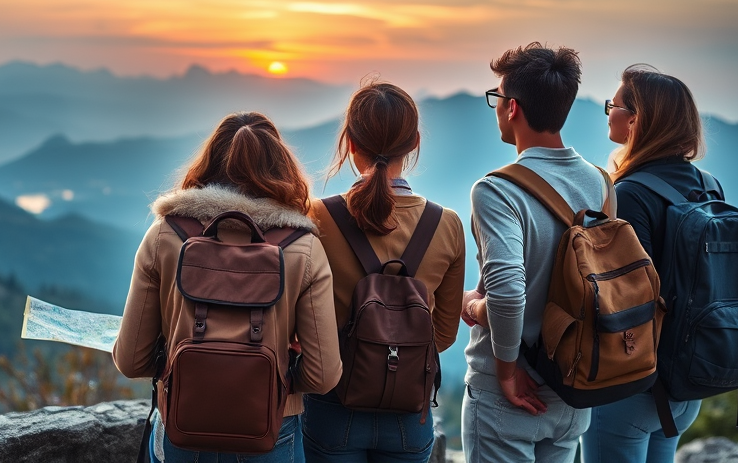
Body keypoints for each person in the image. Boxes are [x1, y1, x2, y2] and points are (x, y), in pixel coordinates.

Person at [113, 111, 342, 463]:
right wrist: (273, 381)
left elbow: (131, 360)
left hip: (181, 429)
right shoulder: (303, 248)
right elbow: (323, 374)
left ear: (208, 163)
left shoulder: (164, 235)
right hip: (270, 432)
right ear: (282, 170)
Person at [460, 42, 610, 463]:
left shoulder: (497, 190)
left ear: (512, 108)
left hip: (508, 396)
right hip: (573, 387)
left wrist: (505, 368)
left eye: (497, 97)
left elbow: (508, 294)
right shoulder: (601, 184)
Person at [302, 81, 466, 463]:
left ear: (350, 142)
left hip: (333, 407)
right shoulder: (448, 225)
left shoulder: (317, 216)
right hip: (409, 415)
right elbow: (441, 337)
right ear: (414, 144)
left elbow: (301, 322)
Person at [580, 65, 713, 463]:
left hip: (633, 386)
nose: (608, 112)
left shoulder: (630, 193)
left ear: (635, 120)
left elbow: (619, 293)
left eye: (613, 105)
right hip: (688, 381)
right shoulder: (708, 185)